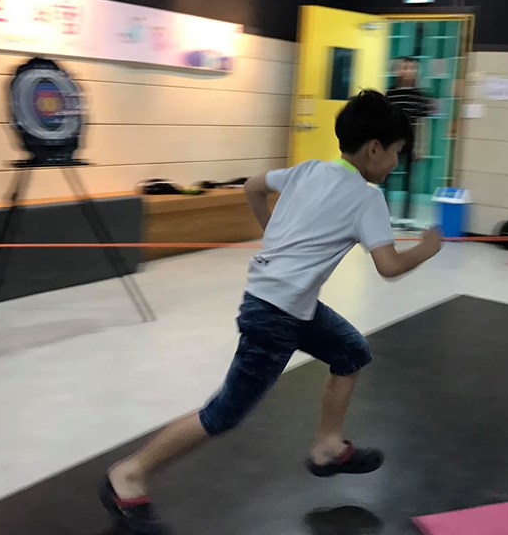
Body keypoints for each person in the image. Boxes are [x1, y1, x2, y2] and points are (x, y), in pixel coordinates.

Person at [99, 90, 443, 534]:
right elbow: (390, 266)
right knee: (223, 414)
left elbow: (253, 187)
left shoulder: (308, 169)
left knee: (351, 351)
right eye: (396, 152)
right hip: (276, 316)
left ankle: (327, 446)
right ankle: (129, 474)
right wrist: (428, 248)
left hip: (285, 305)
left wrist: (274, 235)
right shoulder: (367, 198)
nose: (396, 162)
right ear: (375, 148)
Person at [385, 57, 436, 223]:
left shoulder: (419, 96)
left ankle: (406, 216)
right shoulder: (390, 93)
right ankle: (384, 213)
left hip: (411, 140)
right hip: (392, 140)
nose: (407, 71)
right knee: (386, 176)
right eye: (404, 67)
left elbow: (423, 123)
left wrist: (421, 146)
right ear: (397, 70)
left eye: (411, 68)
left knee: (409, 179)